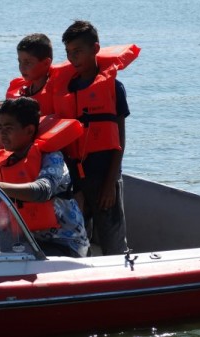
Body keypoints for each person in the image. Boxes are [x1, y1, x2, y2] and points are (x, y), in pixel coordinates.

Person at [0, 97, 89, 257]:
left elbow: (42, 190)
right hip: (29, 240)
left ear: (29, 130)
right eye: (0, 128)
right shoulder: (7, 160)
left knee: (0, 259)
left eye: (8, 128)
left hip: (64, 245)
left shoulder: (52, 158)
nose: (2, 133)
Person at [52, 20, 130, 255]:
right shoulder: (68, 88)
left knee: (111, 236)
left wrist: (110, 184)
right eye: (68, 53)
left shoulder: (114, 88)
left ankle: (120, 279)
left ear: (95, 49)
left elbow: (119, 139)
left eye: (78, 51)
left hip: (104, 173)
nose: (73, 58)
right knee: (76, 233)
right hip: (75, 175)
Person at [6, 33, 56, 115]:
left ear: (46, 63)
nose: (21, 67)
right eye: (19, 62)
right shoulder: (20, 90)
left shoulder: (56, 92)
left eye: (27, 62)